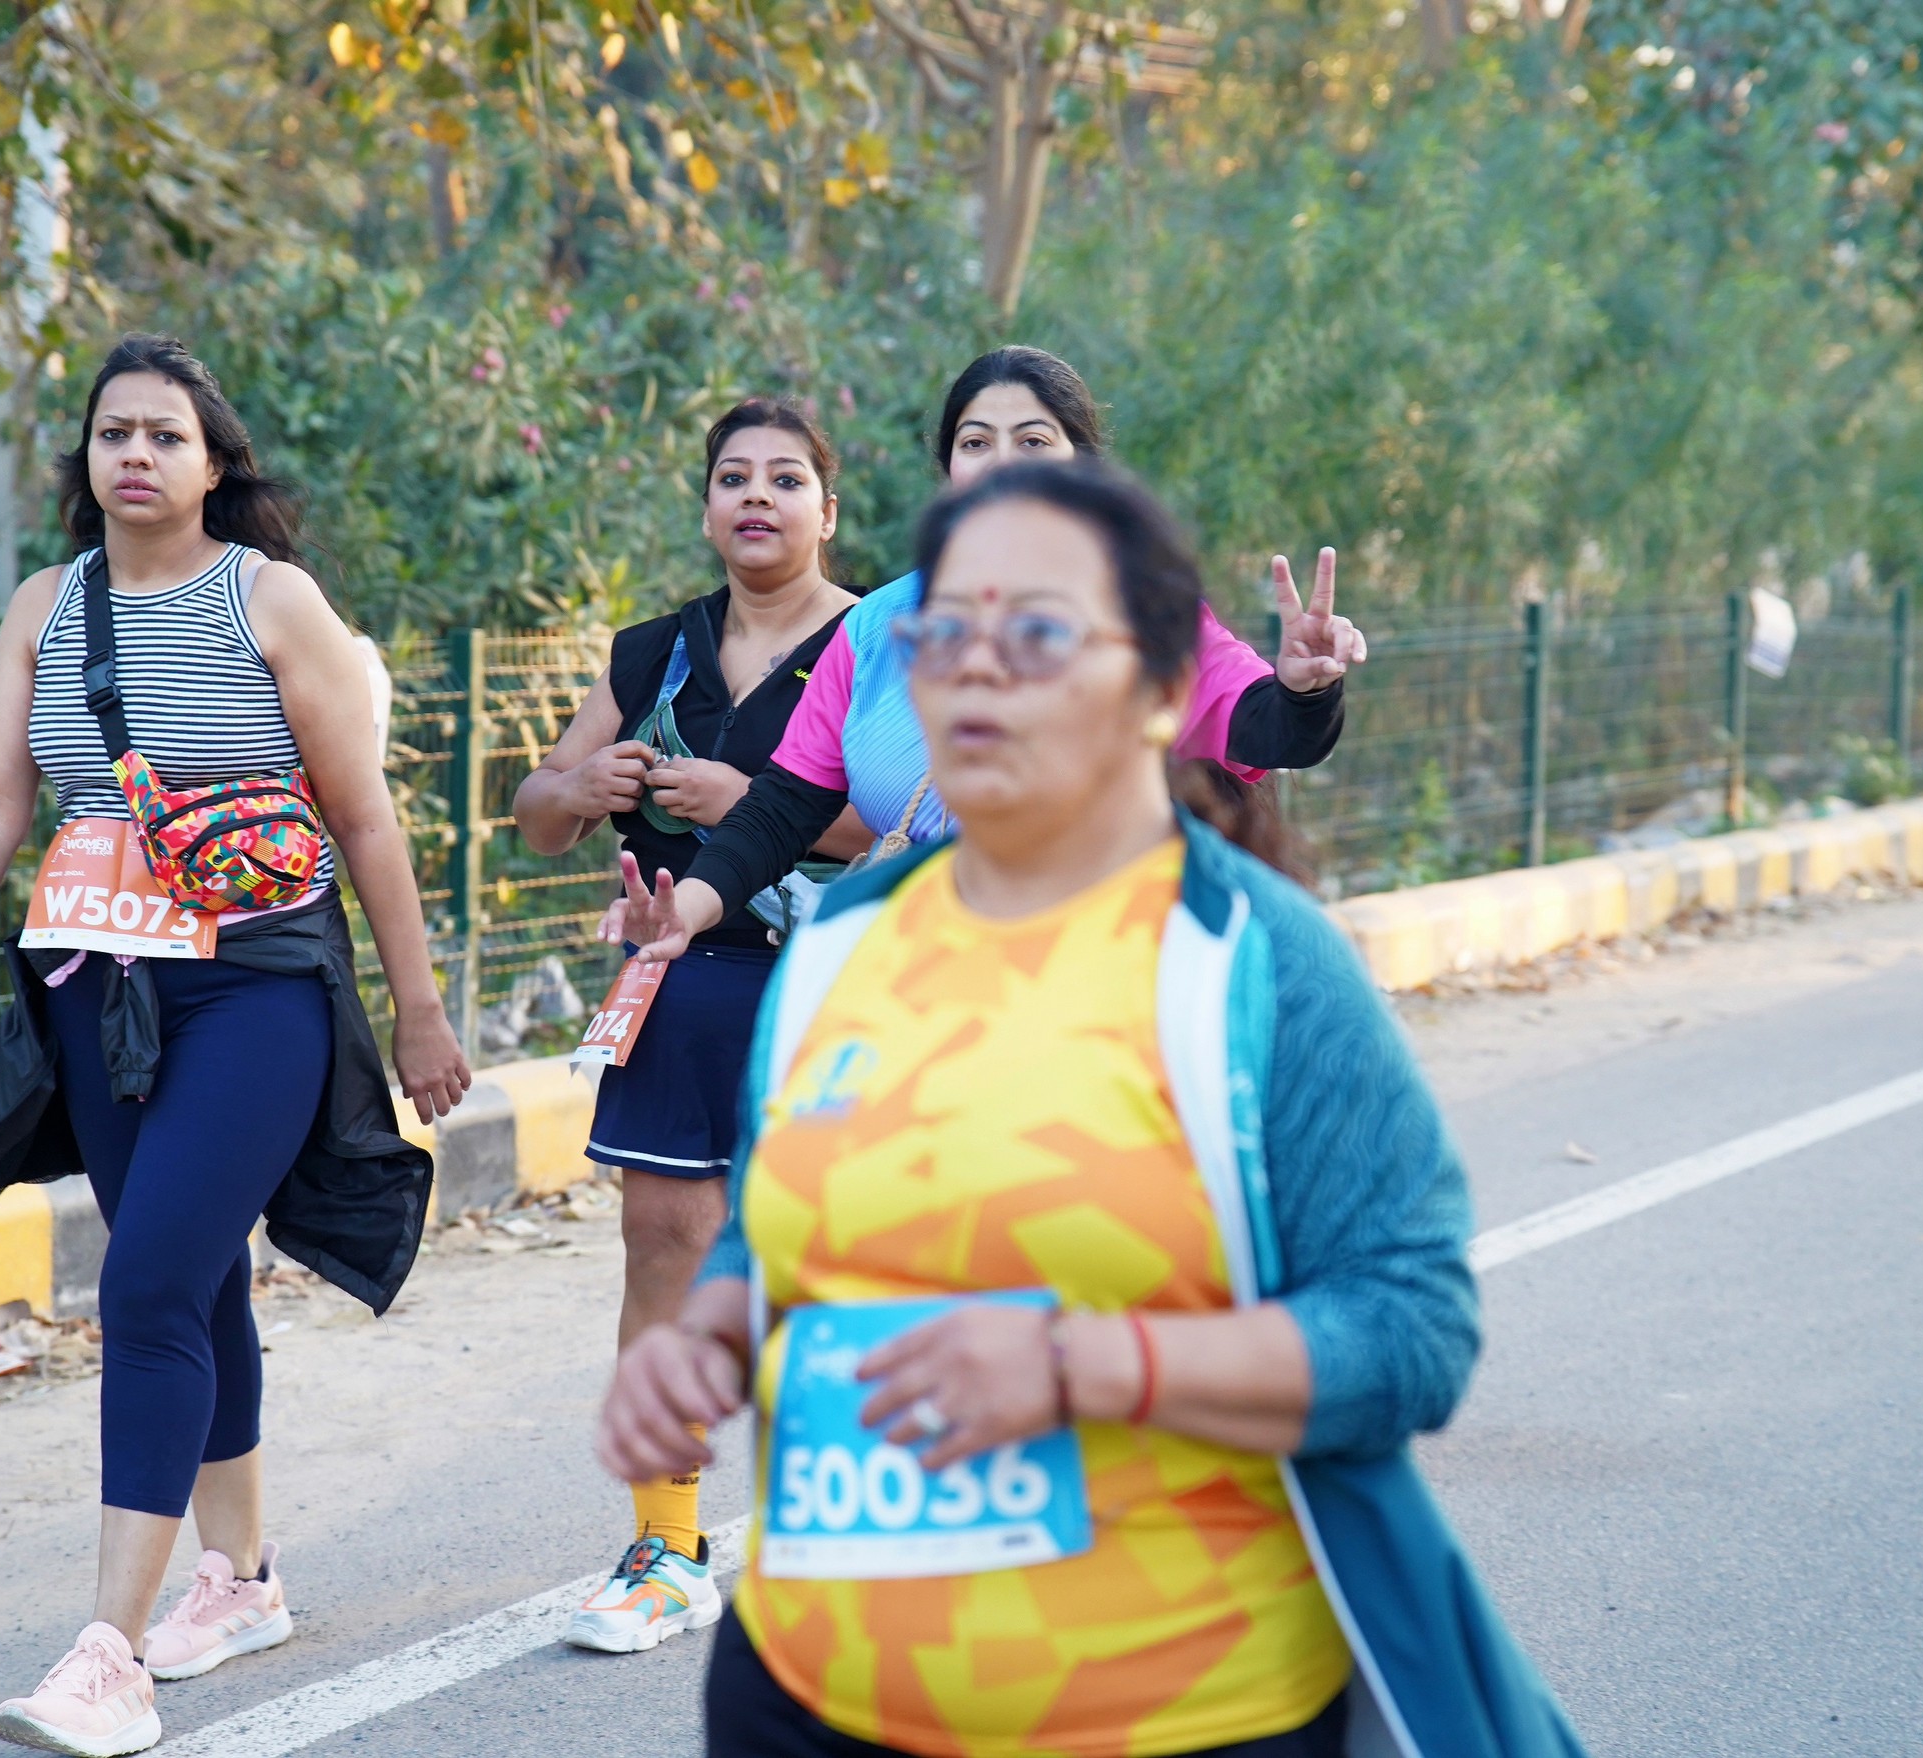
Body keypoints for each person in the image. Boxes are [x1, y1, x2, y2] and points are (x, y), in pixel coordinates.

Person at [596, 460, 1584, 1758]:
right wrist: (711, 1337)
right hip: (806, 1700)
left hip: (1178, 1718)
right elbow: (770, 1231)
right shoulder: (839, 947)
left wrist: (1080, 1367)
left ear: (1163, 688)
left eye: (1039, 632)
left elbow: (1412, 1331)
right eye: (944, 632)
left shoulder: (1252, 959)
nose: (977, 666)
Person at [0, 334, 468, 1757]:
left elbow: (363, 816)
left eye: (166, 436)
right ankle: (240, 1579)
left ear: (212, 464)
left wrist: (419, 1006)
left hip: (254, 987)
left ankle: (107, 1654)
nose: (135, 454)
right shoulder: (45, 605)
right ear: (85, 457)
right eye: (113, 432)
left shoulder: (273, 600)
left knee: (142, 1284)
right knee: (191, 1279)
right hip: (98, 991)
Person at [619, 346, 1366, 960]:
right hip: (934, 974)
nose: (1002, 462)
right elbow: (781, 808)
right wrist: (688, 907)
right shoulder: (876, 628)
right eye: (975, 443)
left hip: (1115, 964)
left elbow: (1274, 732)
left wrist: (1305, 688)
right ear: (949, 471)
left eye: (1033, 441)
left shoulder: (1144, 610)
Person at [513, 397, 870, 1653]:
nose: (757, 496)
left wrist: (753, 802)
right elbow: (535, 815)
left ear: (829, 508)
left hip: (835, 986)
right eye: (734, 477)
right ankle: (668, 1548)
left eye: (786, 478)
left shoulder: (876, 645)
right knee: (664, 1239)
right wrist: (578, 783)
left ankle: (853, 1521)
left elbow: (927, 819)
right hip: (677, 982)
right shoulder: (653, 653)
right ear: (709, 508)